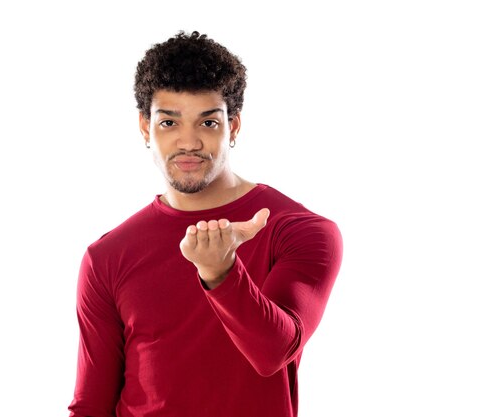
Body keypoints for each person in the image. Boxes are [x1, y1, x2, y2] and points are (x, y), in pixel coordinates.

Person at [68, 31, 343, 417]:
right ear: (146, 127)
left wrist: (222, 273)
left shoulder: (299, 230)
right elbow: (91, 405)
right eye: (169, 122)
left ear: (234, 126)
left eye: (208, 123)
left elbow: (275, 352)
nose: (189, 142)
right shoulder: (107, 256)